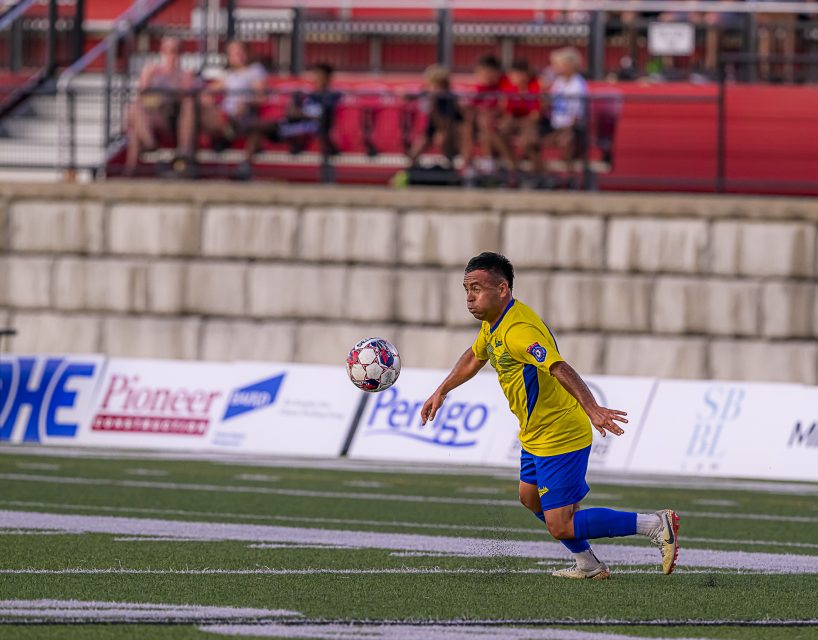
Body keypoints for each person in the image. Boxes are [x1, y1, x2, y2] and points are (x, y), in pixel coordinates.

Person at [421, 252, 680, 579]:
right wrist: (442, 389)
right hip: (535, 434)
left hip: (560, 434)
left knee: (562, 524)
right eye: (466, 289)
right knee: (530, 498)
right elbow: (475, 356)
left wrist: (592, 408)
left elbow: (558, 367)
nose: (470, 297)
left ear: (502, 290)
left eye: (477, 288)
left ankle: (654, 524)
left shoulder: (519, 331)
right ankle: (589, 564)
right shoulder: (494, 323)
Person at [235, 62, 341, 180]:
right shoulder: (307, 95)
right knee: (257, 131)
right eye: (314, 74)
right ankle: (245, 167)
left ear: (327, 77)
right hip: (290, 127)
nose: (315, 78)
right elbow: (291, 113)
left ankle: (236, 130)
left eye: (319, 75)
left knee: (258, 126)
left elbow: (321, 117)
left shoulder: (332, 95)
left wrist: (300, 114)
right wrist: (298, 111)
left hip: (308, 130)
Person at [124, 36, 195, 176]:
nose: (171, 55)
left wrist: (162, 95)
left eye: (175, 51)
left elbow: (184, 97)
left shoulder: (185, 74)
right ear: (161, 51)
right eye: (167, 50)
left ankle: (145, 153)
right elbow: (142, 94)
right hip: (151, 114)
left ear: (181, 53)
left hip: (173, 117)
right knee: (134, 109)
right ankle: (148, 146)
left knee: (134, 119)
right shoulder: (151, 70)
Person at [461, 54, 514, 186]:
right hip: (482, 126)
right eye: (479, 73)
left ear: (494, 72)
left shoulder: (505, 85)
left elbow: (507, 108)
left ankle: (498, 164)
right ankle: (468, 164)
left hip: (504, 125)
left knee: (485, 122)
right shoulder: (480, 88)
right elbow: (471, 107)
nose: (481, 76)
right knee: (468, 124)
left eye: (484, 73)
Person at [406, 64, 463, 168]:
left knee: (442, 140)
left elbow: (446, 123)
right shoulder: (428, 94)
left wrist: (434, 106)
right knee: (414, 152)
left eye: (438, 85)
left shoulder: (448, 99)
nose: (434, 88)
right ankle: (412, 171)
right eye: (431, 84)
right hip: (431, 128)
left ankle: (450, 170)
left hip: (448, 128)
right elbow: (407, 96)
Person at [498, 59, 545, 186]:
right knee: (500, 130)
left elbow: (535, 113)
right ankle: (514, 167)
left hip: (530, 121)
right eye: (512, 74)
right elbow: (507, 110)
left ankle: (539, 175)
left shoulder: (535, 86)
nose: (514, 77)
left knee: (528, 142)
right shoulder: (509, 87)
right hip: (514, 118)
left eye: (517, 74)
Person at [542, 47, 589, 165]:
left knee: (566, 140)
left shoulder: (578, 85)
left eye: (559, 64)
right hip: (554, 125)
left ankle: (568, 176)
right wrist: (543, 88)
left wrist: (564, 131)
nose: (555, 67)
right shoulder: (559, 81)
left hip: (572, 128)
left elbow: (577, 116)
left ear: (570, 65)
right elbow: (548, 104)